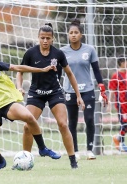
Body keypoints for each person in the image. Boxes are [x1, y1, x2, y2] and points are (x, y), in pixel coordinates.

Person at [16, 23, 85, 169]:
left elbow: (70, 74)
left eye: (48, 38)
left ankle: (73, 161)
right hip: (36, 93)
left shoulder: (58, 54)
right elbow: (19, 71)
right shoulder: (30, 53)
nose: (45, 41)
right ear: (38, 38)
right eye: (42, 38)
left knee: (63, 124)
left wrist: (78, 95)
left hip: (55, 92)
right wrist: (19, 87)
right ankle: (25, 161)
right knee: (27, 126)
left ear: (53, 39)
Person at [60, 19, 108, 160]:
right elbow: (57, 72)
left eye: (76, 32)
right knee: (72, 122)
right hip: (70, 91)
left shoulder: (89, 50)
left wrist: (102, 88)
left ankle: (89, 150)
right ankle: (74, 151)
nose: (73, 35)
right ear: (68, 35)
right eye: (71, 33)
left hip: (87, 90)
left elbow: (97, 71)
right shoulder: (62, 51)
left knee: (89, 119)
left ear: (81, 34)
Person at [108, 55, 127, 152]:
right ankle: (121, 142)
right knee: (124, 123)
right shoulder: (116, 76)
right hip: (122, 104)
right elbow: (112, 91)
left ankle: (118, 138)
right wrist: (109, 104)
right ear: (122, 63)